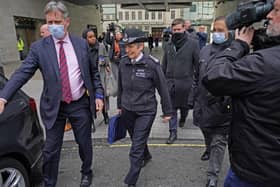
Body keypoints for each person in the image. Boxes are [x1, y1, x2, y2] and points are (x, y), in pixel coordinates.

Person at [0, 1, 104, 187]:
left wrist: (98, 96)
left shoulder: (81, 45)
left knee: (84, 144)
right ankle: (49, 182)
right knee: (50, 150)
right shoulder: (39, 48)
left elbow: (94, 73)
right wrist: (4, 96)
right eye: (49, 22)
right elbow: (22, 73)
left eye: (57, 21)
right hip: (54, 106)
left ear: (67, 22)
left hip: (79, 103)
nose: (53, 26)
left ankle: (86, 171)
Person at [202, 0, 280, 186]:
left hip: (257, 171)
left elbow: (213, 77)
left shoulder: (266, 63)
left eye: (276, 10)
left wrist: (238, 45)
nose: (268, 15)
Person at [118, 28, 172, 187]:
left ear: (141, 46)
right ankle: (146, 155)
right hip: (128, 109)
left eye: (131, 47)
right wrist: (120, 105)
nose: (128, 50)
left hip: (146, 111)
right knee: (137, 139)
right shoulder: (123, 62)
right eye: (125, 46)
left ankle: (131, 180)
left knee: (136, 146)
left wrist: (167, 111)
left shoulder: (152, 65)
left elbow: (163, 89)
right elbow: (121, 87)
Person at [189, 16, 232, 187]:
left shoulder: (236, 52)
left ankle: (212, 176)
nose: (217, 33)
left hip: (222, 108)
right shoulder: (205, 50)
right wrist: (192, 98)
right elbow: (196, 76)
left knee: (218, 141)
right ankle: (207, 147)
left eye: (221, 30)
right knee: (207, 133)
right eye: (215, 30)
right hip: (202, 104)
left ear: (231, 32)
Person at [162, 18, 200, 144]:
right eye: (174, 30)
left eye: (179, 29)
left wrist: (196, 81)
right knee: (171, 108)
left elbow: (197, 64)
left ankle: (183, 118)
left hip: (186, 83)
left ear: (184, 28)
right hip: (170, 83)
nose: (177, 32)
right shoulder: (168, 44)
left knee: (184, 107)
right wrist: (162, 80)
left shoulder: (193, 43)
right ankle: (173, 133)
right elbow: (164, 63)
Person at [83, 28, 110, 124]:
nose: (93, 38)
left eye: (94, 36)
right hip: (88, 77)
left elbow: (106, 56)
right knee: (89, 98)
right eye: (90, 37)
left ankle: (105, 115)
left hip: (100, 75)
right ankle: (91, 121)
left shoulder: (101, 46)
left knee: (102, 96)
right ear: (85, 39)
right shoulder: (82, 49)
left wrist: (107, 65)